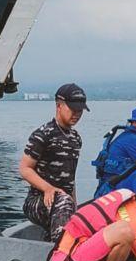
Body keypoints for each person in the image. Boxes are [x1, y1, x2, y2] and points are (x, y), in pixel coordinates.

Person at [18, 83, 89, 242]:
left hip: (63, 202)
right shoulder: (43, 134)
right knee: (63, 201)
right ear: (59, 106)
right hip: (38, 201)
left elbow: (71, 179)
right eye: (73, 109)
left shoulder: (76, 139)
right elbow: (24, 169)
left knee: (77, 213)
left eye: (80, 110)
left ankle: (52, 241)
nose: (77, 114)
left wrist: (75, 207)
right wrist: (48, 189)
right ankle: (60, 256)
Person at [93, 107, 136, 198]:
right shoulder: (133, 139)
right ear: (135, 123)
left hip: (107, 185)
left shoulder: (129, 136)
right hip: (113, 188)